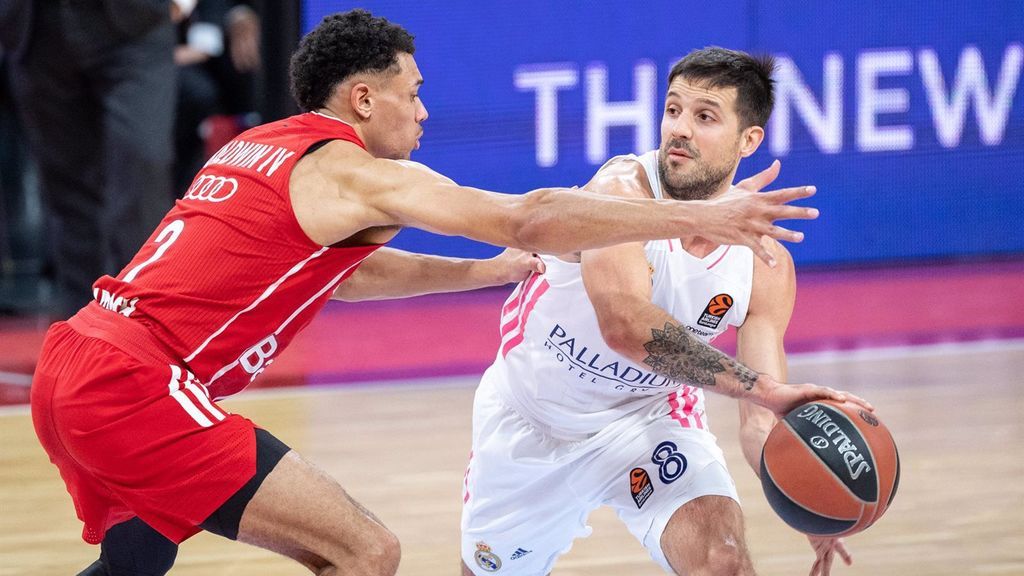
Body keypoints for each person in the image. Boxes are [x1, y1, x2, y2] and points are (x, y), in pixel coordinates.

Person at [31, 12, 825, 576]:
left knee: (141, 550)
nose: (425, 110)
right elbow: (533, 217)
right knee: (368, 553)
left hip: (73, 364)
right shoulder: (358, 171)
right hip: (139, 387)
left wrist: (478, 274)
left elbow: (345, 274)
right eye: (412, 93)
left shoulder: (258, 148)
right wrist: (714, 216)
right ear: (364, 100)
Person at [460, 47, 868, 576]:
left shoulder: (764, 266)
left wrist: (805, 492)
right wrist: (762, 388)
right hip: (533, 417)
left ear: (749, 140)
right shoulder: (619, 193)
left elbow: (760, 423)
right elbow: (626, 327)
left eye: (704, 117)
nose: (680, 129)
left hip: (647, 420)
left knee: (722, 561)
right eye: (673, 110)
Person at [0, 0, 189, 319]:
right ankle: (82, 334)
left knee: (141, 168)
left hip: (136, 23)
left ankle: (146, 326)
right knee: (67, 191)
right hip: (35, 26)